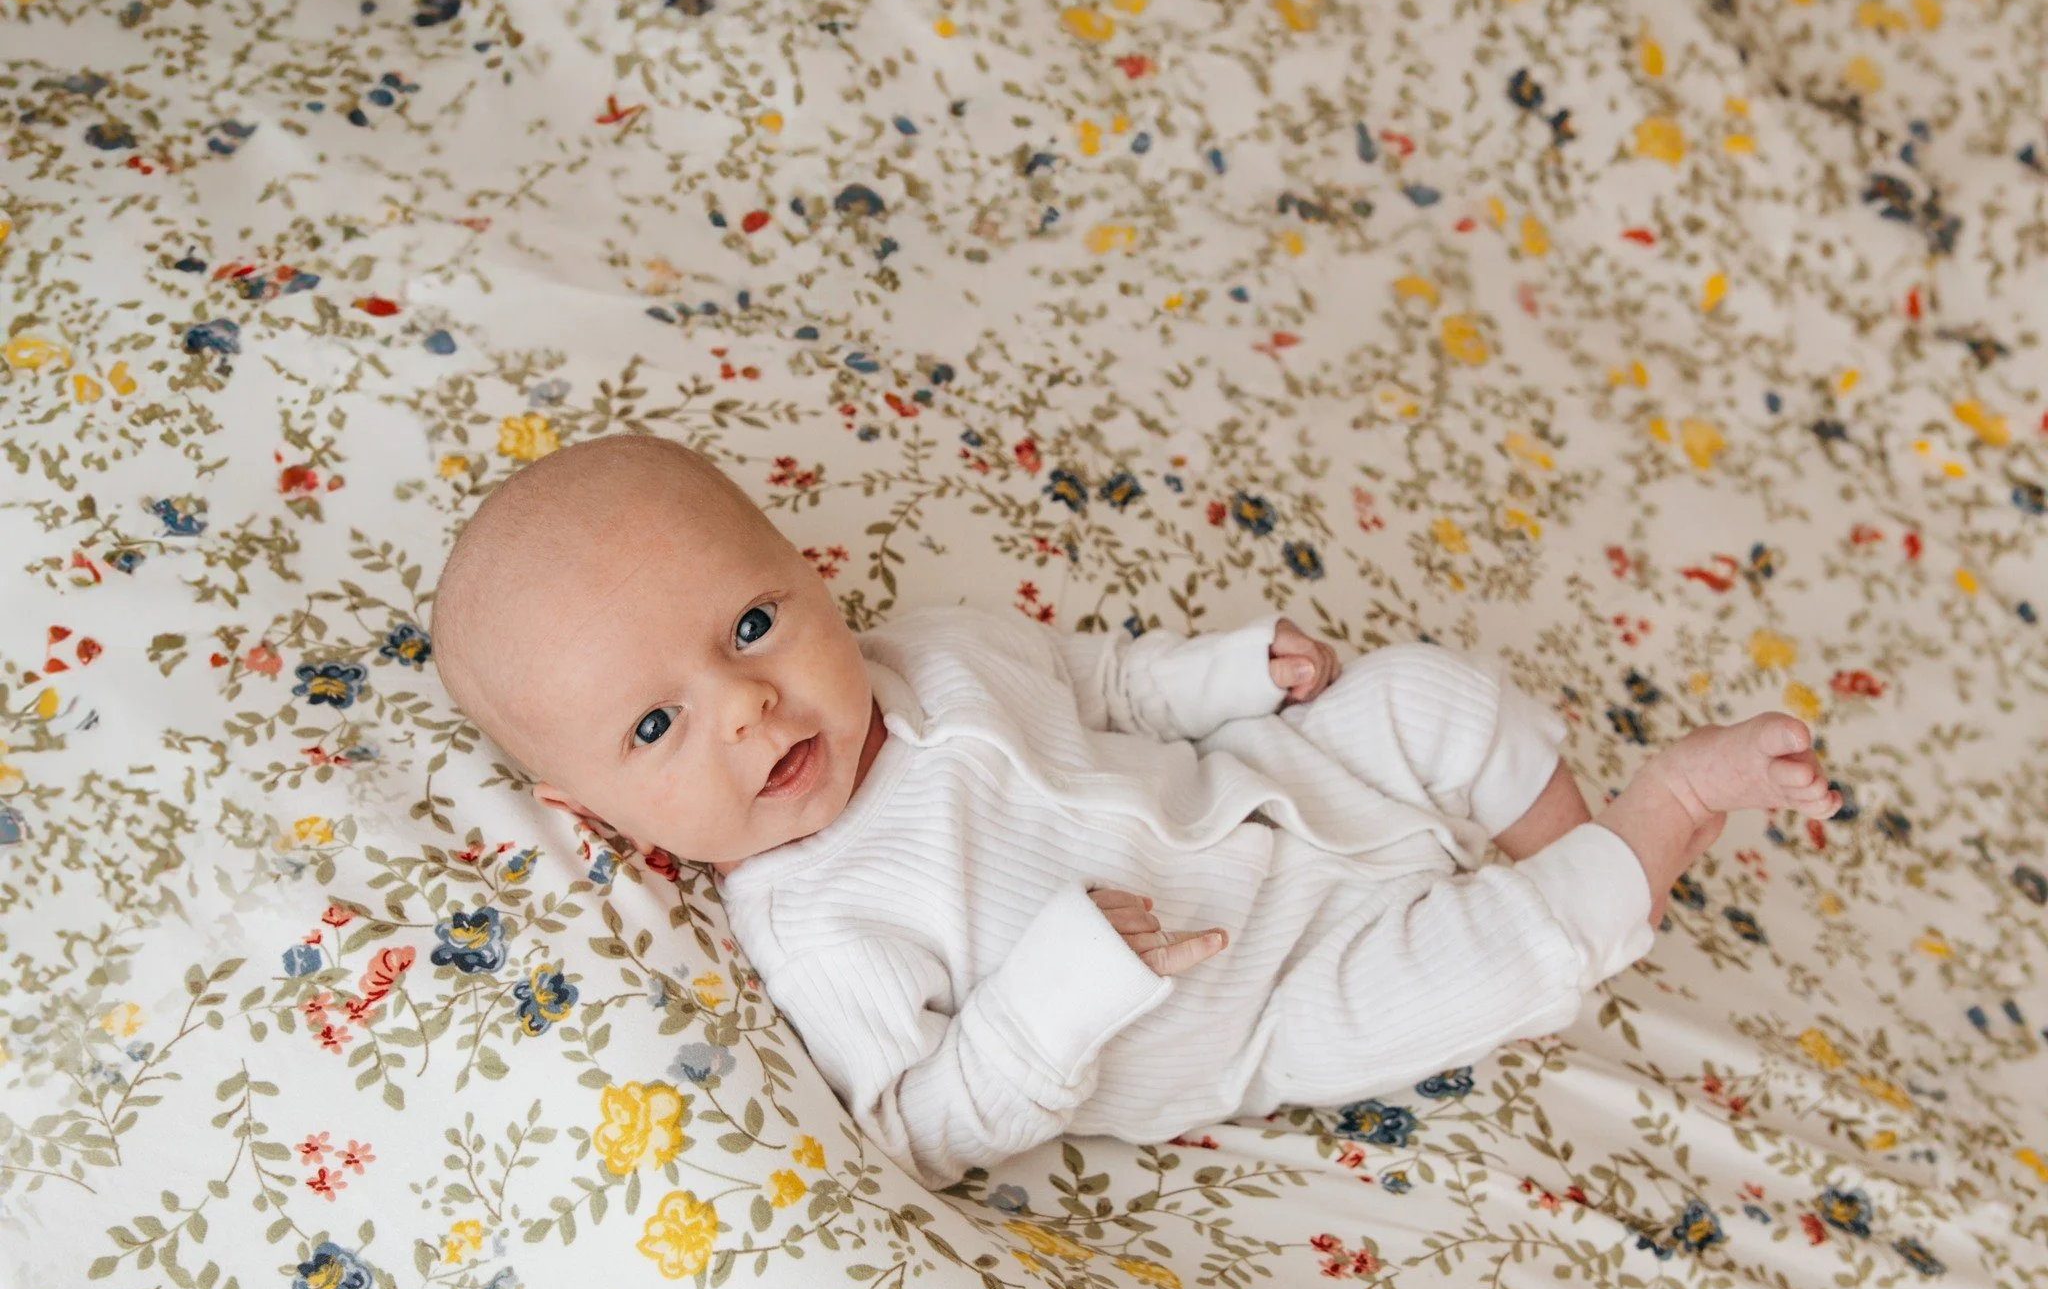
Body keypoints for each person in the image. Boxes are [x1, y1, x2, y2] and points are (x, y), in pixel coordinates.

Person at [432, 436, 1840, 1190]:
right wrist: (1059, 989)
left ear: (808, 574)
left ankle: (1551, 837)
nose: (746, 705)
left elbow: (1095, 677)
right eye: (660, 725)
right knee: (1488, 973)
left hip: (1278, 790)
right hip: (1259, 1005)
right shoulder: (818, 918)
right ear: (598, 812)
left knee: (1432, 698)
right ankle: (1656, 822)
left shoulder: (929, 651)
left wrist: (1221, 672)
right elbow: (924, 1126)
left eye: (751, 621)